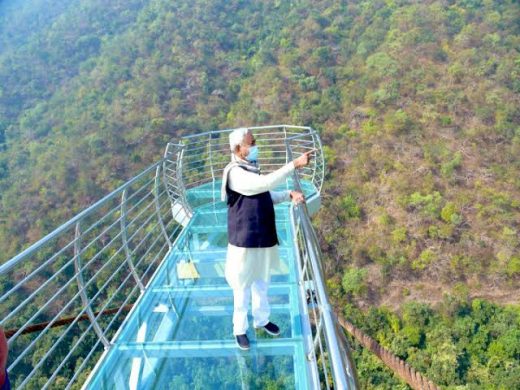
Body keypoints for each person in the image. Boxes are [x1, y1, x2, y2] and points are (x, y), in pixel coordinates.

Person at [220, 127, 313, 350]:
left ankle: (262, 320)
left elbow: (263, 195)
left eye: (254, 142)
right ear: (238, 149)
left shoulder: (248, 168)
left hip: (262, 235)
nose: (254, 147)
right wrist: (294, 165)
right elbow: (263, 185)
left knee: (262, 282)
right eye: (251, 143)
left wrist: (287, 195)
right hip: (244, 240)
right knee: (242, 286)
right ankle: (239, 329)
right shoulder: (235, 172)